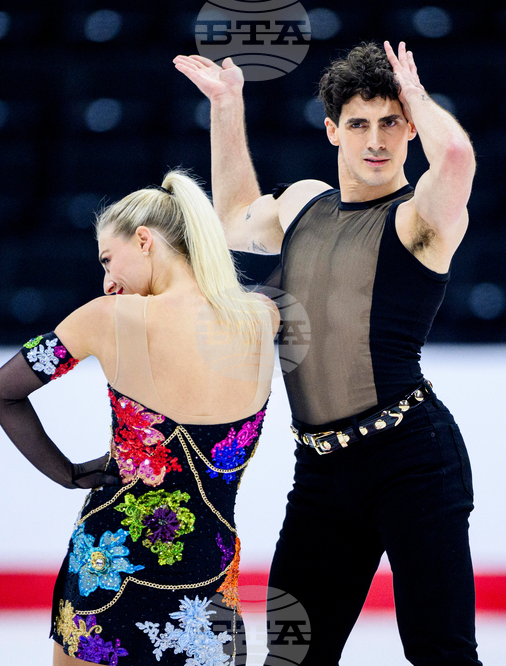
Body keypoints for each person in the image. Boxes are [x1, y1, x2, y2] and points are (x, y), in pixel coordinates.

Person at [174, 40, 480, 665]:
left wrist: (416, 95)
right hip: (320, 474)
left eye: (391, 123)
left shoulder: (419, 220)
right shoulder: (303, 204)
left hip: (412, 462)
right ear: (333, 130)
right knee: (292, 658)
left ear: (410, 129)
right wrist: (227, 108)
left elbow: (454, 155)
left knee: (441, 654)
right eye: (359, 124)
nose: (376, 140)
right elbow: (232, 218)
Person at [0, 169, 281, 666]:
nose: (107, 280)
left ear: (144, 240)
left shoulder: (107, 317)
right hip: (207, 582)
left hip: (107, 569)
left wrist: (68, 473)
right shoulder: (262, 317)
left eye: (107, 259)